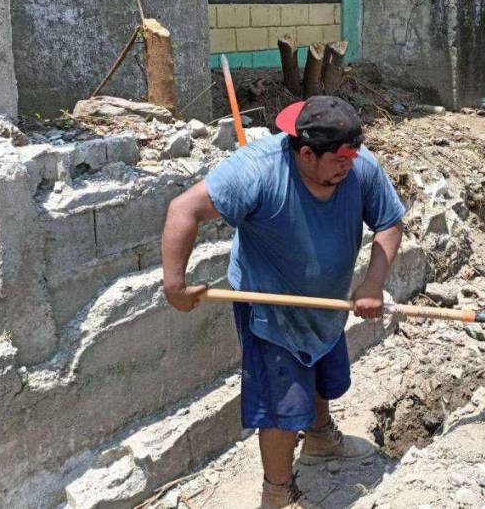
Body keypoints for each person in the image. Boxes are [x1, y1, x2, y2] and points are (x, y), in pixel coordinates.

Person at [161, 96, 405, 509]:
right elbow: (183, 209)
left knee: (321, 367)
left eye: (352, 156)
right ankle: (277, 492)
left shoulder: (358, 166)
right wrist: (174, 286)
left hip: (325, 305)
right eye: (339, 160)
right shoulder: (257, 170)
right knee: (281, 403)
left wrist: (372, 283)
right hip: (269, 307)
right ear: (306, 153)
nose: (349, 167)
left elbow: (389, 222)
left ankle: (320, 438)